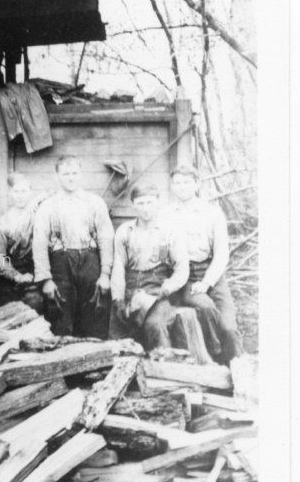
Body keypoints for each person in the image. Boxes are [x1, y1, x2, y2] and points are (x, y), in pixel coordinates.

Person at [163, 165, 245, 364]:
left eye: (186, 182)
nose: (182, 187)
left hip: (211, 273)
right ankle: (215, 358)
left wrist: (207, 282)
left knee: (228, 326)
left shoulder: (212, 213)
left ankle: (238, 368)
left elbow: (222, 254)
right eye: (177, 183)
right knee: (206, 307)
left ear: (197, 184)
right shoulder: (166, 214)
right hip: (184, 277)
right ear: (172, 186)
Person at [33, 156, 114, 338]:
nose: (71, 178)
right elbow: (39, 244)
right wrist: (45, 280)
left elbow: (106, 238)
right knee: (61, 319)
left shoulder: (95, 202)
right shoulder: (48, 206)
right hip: (61, 265)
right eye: (66, 174)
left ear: (81, 174)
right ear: (57, 176)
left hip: (90, 263)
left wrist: (105, 274)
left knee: (93, 319)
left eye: (74, 173)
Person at [110, 183, 189, 350]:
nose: (145, 209)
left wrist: (167, 288)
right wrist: (118, 299)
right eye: (140, 203)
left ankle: (164, 363)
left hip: (157, 289)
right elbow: (118, 268)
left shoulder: (169, 231)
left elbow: (182, 269)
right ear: (133, 204)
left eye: (150, 202)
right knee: (118, 332)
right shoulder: (125, 231)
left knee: (154, 325)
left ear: (157, 202)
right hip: (130, 287)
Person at [0, 172, 46, 313]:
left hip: (39, 273)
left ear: (30, 192)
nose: (20, 196)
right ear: (10, 193)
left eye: (24, 191)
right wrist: (16, 276)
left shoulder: (41, 216)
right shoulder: (4, 222)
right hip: (12, 275)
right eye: (16, 191)